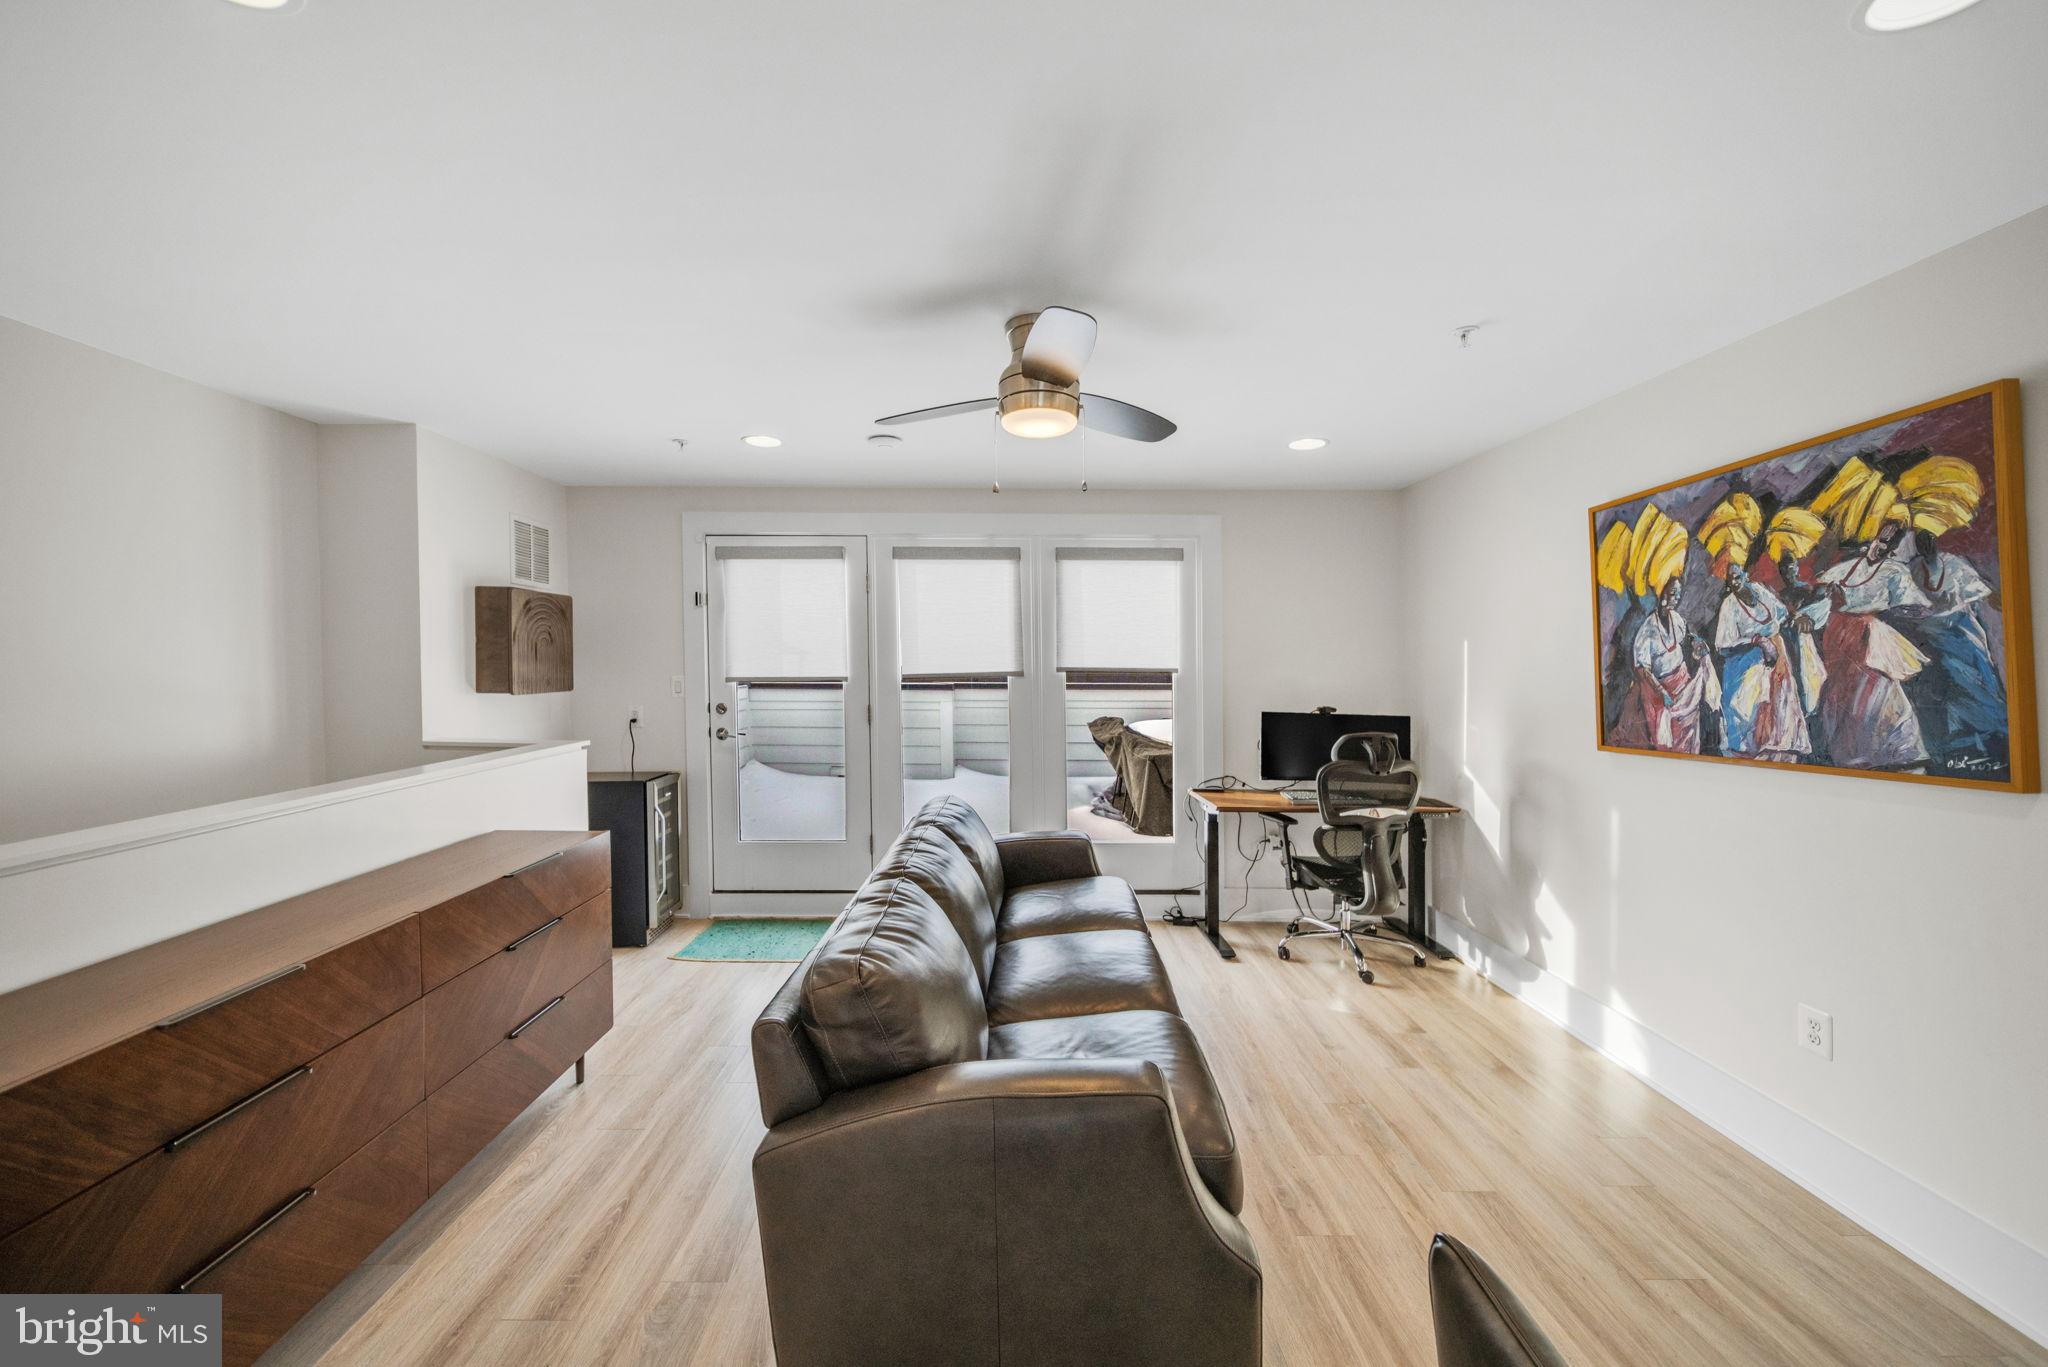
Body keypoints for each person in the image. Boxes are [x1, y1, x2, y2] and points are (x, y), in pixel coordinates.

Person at [1811, 520, 1931, 770]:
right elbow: (1817, 597)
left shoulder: (1894, 571)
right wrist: (1826, 596)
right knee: (1841, 693)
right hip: (1839, 635)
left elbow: (1917, 609)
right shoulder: (1845, 568)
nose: (1882, 549)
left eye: (1890, 546)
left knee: (1878, 690)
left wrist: (1880, 611)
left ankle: (1895, 751)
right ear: (1874, 538)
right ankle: (1849, 755)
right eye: (1881, 542)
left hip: (1869, 638)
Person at [1897, 527, 2006, 766]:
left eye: (1929, 541)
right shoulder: (1913, 569)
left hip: (1961, 630)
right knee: (1946, 685)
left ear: (1935, 542)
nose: (1926, 546)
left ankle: (1995, 733)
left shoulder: (1954, 564)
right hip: (1931, 634)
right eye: (1921, 542)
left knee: (1976, 679)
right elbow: (1905, 599)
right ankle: (1961, 744)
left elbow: (1983, 592)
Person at [1714, 561, 1810, 761]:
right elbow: (1723, 646)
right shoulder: (1729, 605)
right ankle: (1755, 751)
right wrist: (1757, 641)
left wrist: (1797, 616)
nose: (1735, 581)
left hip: (1776, 654)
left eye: (1738, 576)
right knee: (1752, 706)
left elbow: (1782, 613)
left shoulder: (1759, 591)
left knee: (1781, 700)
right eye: (1730, 579)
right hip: (1745, 662)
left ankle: (1777, 747)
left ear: (1746, 576)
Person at [1614, 576, 1717, 753]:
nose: (1677, 598)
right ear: (1662, 595)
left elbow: (1688, 637)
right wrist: (1662, 692)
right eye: (1673, 594)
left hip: (1683, 684)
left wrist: (1698, 644)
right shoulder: (1648, 630)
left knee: (1690, 729)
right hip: (1658, 690)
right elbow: (1642, 669)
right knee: (1667, 738)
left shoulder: (1676, 618)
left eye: (1678, 594)